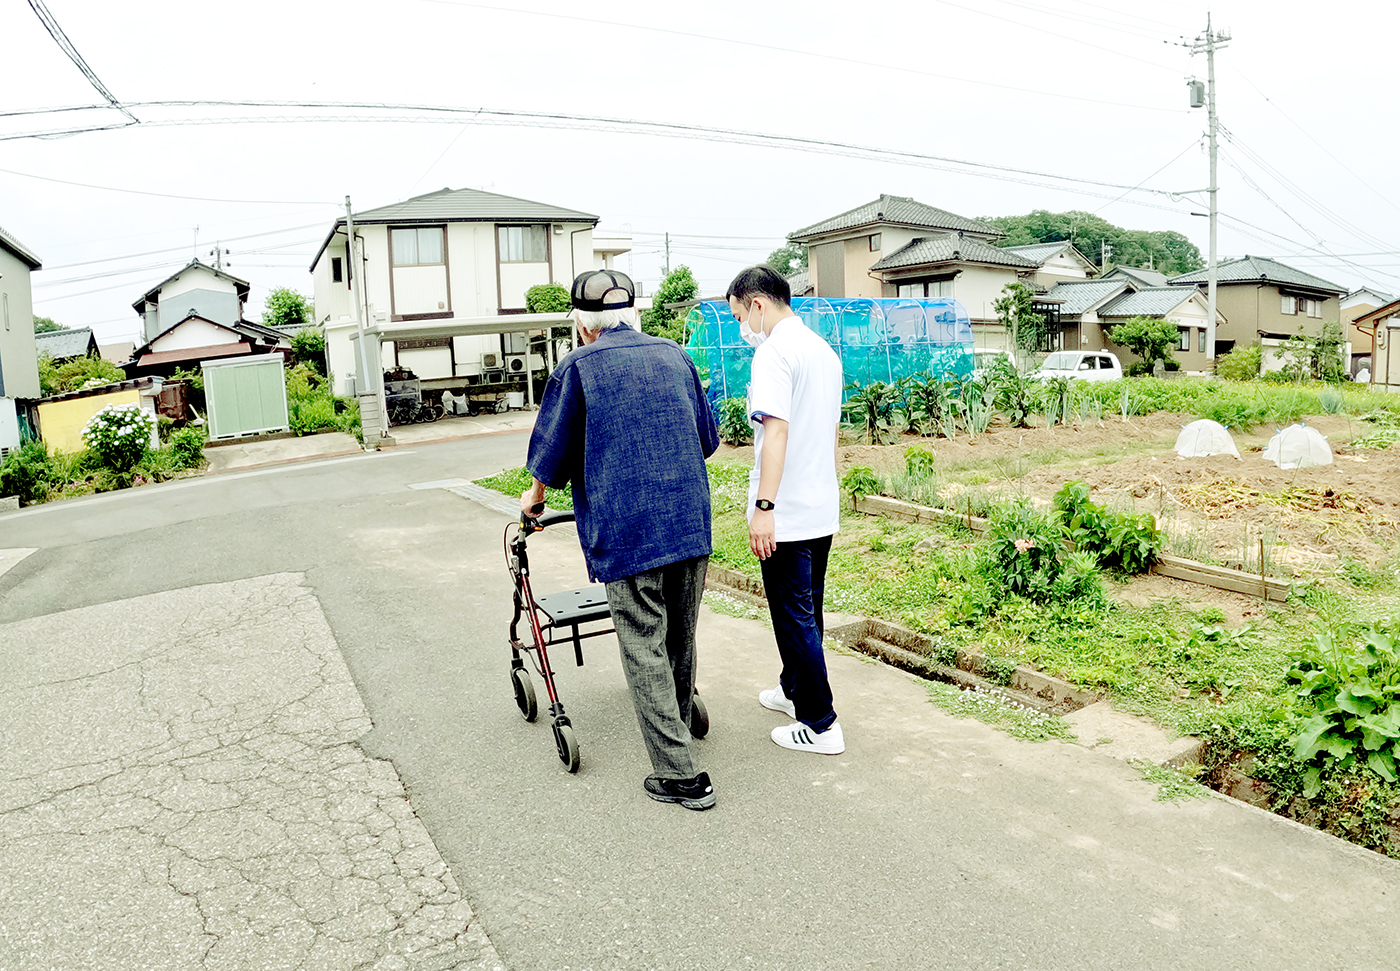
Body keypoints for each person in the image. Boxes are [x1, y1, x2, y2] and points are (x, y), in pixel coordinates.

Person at [521, 269, 720, 810]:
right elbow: (706, 441)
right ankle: (678, 726)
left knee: (643, 644)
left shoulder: (578, 368)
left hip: (628, 530)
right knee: (681, 637)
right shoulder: (675, 357)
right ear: (632, 312)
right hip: (688, 522)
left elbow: (551, 456)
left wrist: (533, 498)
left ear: (583, 327)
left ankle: (680, 774)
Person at [726, 265, 846, 755]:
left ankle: (820, 724)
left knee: (792, 616)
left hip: (788, 512)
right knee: (807, 610)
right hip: (820, 505)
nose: (741, 328)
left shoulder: (774, 353)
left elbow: (775, 433)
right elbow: (832, 433)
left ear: (757, 304)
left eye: (739, 316)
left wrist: (764, 507)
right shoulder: (823, 351)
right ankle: (792, 688)